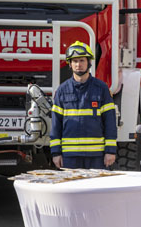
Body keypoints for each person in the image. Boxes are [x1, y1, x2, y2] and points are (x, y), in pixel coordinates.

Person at [50, 41, 116, 169]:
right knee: (72, 189)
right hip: (70, 156)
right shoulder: (62, 91)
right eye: (74, 61)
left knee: (96, 188)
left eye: (81, 60)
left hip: (97, 156)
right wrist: (56, 153)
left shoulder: (101, 89)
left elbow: (110, 122)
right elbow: (55, 125)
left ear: (89, 63)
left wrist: (110, 151)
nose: (78, 65)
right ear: (70, 64)